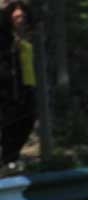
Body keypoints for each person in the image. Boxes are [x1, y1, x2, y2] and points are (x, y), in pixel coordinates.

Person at [0, 1, 36, 174]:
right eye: (15, 12)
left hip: (22, 88)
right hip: (6, 89)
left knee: (25, 119)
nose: (19, 15)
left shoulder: (23, 36)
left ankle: (9, 160)